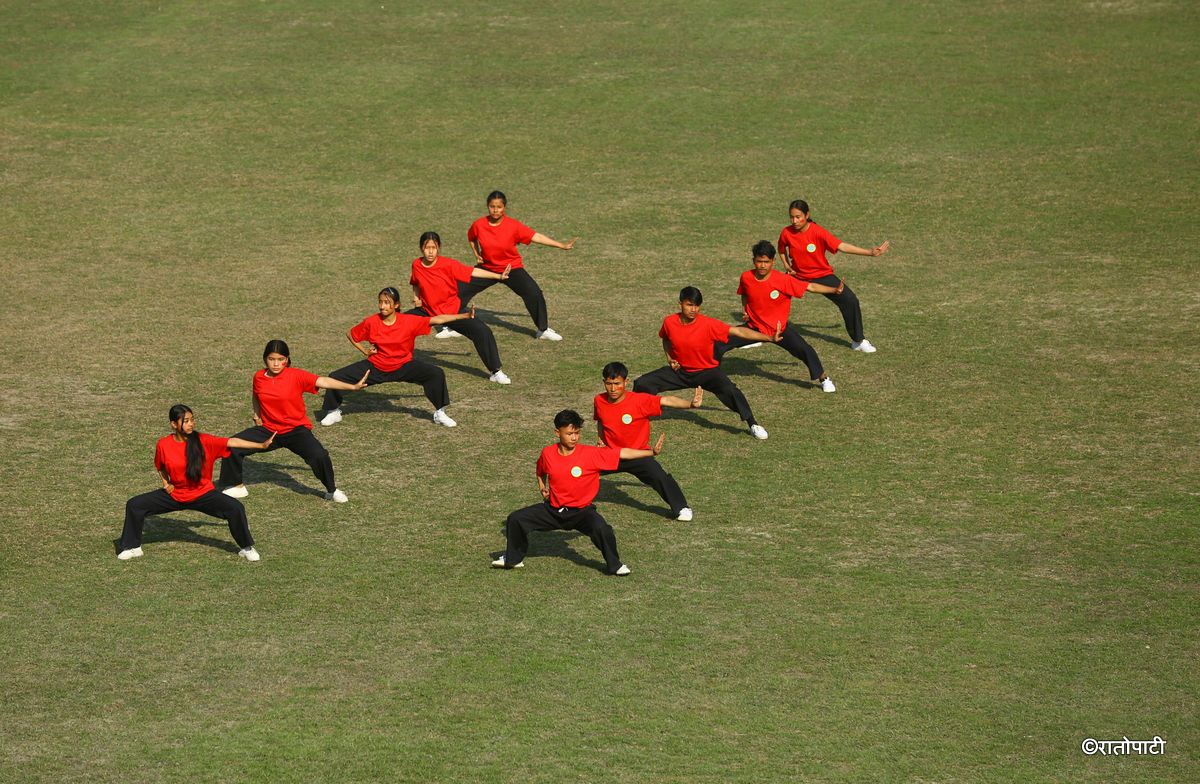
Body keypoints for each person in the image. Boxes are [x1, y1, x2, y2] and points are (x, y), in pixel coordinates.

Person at [492, 409, 664, 575]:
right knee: (516, 519)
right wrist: (542, 487)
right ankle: (513, 559)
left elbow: (622, 453)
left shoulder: (591, 454)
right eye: (569, 433)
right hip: (553, 510)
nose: (574, 437)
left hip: (582, 512)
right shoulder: (548, 453)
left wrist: (650, 452)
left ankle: (615, 565)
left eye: (577, 433)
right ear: (557, 432)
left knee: (603, 529)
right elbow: (540, 471)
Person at [118, 404, 275, 562]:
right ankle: (132, 547)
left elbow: (231, 442)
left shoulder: (204, 441)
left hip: (203, 494)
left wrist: (260, 445)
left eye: (192, 420)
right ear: (174, 424)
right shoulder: (163, 445)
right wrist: (166, 484)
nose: (191, 424)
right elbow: (160, 466)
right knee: (135, 504)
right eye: (186, 421)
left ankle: (246, 547)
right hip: (176, 494)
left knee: (236, 508)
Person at [219, 340, 370, 503]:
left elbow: (323, 381)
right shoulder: (259, 377)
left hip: (296, 430)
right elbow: (256, 395)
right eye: (271, 359)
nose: (276, 363)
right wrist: (257, 414)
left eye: (280, 359)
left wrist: (353, 387)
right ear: (265, 359)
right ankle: (236, 486)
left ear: (287, 359)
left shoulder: (296, 375)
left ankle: (331, 490)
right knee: (232, 445)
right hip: (270, 430)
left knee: (319, 456)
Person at [633, 287, 780, 440]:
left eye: (697, 306)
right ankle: (635, 416)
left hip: (707, 372)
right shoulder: (669, 322)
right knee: (643, 383)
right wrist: (670, 359)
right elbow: (666, 339)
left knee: (731, 391)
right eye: (689, 305)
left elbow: (739, 332)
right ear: (680, 304)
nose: (693, 309)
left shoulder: (708, 324)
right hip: (680, 372)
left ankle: (752, 423)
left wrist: (769, 338)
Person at [318, 287, 475, 428]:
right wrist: (365, 351)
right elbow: (351, 334)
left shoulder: (409, 321)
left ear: (397, 305)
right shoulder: (372, 322)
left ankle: (440, 413)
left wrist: (465, 315)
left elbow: (437, 319)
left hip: (404, 366)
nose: (382, 306)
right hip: (376, 367)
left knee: (435, 373)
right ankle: (333, 411)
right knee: (335, 377)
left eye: (387, 302)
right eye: (381, 302)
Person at [714, 241, 846, 393]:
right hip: (754, 328)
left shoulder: (783, 280)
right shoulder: (746, 277)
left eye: (766, 262)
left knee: (805, 350)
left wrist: (833, 290)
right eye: (759, 261)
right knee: (719, 342)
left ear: (773, 262)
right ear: (753, 261)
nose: (762, 265)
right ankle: (711, 373)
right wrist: (745, 309)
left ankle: (823, 378)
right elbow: (744, 294)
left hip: (779, 330)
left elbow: (810, 286)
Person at [447, 190, 576, 341]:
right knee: (458, 290)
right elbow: (471, 238)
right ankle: (451, 325)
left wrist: (561, 245)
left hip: (511, 268)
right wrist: (477, 254)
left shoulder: (513, 226)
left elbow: (537, 237)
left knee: (534, 293)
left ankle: (543, 330)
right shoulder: (479, 225)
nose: (495, 210)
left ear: (504, 208)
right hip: (487, 268)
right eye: (492, 206)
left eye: (499, 207)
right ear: (488, 207)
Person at [777, 199, 890, 353]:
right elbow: (781, 250)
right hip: (798, 276)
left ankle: (858, 341)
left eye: (798, 217)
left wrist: (869, 253)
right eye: (792, 217)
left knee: (850, 300)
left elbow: (841, 246)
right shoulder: (786, 232)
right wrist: (786, 266)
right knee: (772, 294)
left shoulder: (817, 231)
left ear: (807, 215)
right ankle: (758, 332)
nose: (794, 221)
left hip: (822, 276)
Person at [594, 362, 703, 521]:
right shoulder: (599, 400)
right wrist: (600, 438)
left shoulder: (639, 401)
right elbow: (601, 421)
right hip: (612, 454)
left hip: (639, 455)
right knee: (581, 470)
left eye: (617, 384)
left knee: (660, 477)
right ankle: (565, 503)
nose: (612, 388)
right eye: (608, 384)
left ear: (626, 382)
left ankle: (682, 508)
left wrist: (691, 405)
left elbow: (667, 400)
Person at [408, 231, 513, 385]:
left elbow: (473, 271)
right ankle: (387, 359)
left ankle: (496, 371)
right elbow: (416, 282)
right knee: (399, 323)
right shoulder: (416, 264)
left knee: (483, 332)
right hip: (428, 311)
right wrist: (417, 297)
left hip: (453, 312)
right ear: (421, 248)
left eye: (434, 247)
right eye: (427, 248)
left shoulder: (448, 264)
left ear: (439, 248)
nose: (430, 251)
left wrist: (498, 276)